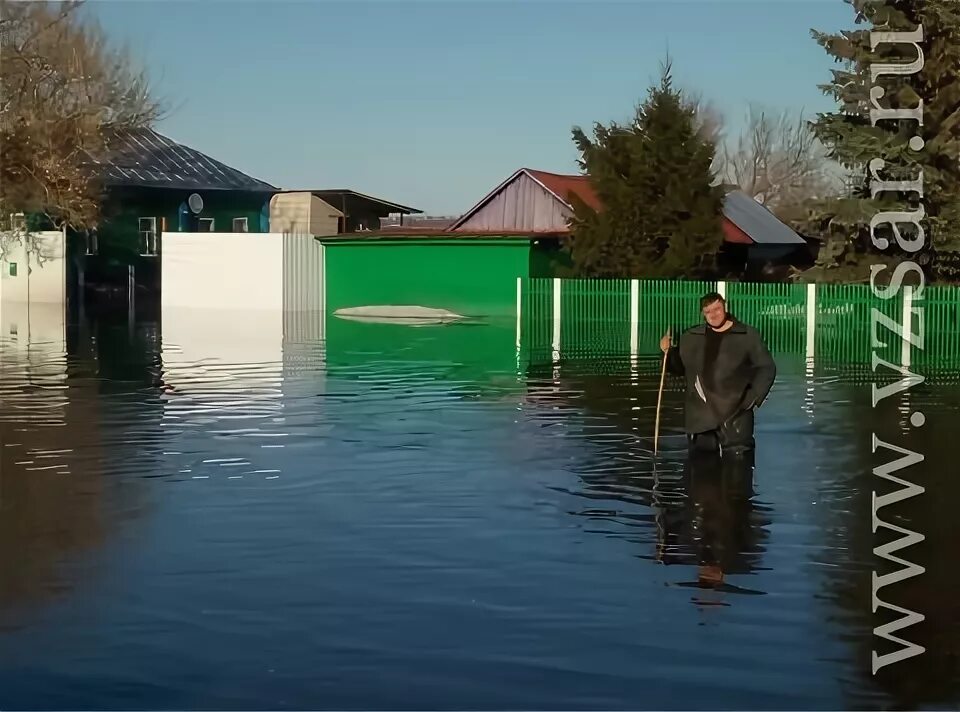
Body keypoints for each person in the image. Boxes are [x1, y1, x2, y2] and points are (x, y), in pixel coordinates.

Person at [659, 292, 776, 456]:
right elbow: (679, 368)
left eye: (717, 309)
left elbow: (766, 368)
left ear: (725, 307)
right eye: (708, 311)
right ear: (703, 314)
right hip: (700, 417)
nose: (713, 314)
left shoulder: (747, 336)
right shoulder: (691, 338)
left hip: (735, 416)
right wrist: (668, 352)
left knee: (738, 473)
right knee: (701, 474)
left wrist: (752, 398)